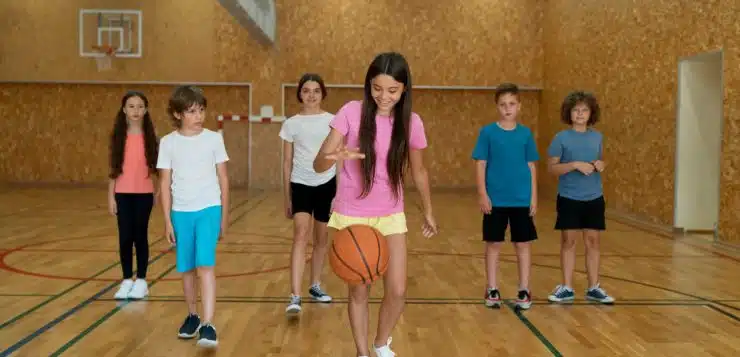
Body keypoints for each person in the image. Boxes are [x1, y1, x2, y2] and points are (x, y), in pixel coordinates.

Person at [313, 52, 439, 357]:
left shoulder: (411, 122)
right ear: (369, 86)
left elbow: (419, 170)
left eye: (392, 90)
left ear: (404, 89)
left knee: (397, 289)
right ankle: (362, 352)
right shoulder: (351, 113)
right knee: (359, 289)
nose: (384, 96)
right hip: (351, 213)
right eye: (377, 88)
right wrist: (334, 157)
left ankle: (381, 342)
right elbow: (318, 164)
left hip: (391, 213)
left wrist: (428, 210)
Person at [156, 85, 230, 348]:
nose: (198, 116)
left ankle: (209, 324)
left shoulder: (213, 139)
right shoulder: (168, 143)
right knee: (187, 268)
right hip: (181, 213)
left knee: (205, 266)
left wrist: (224, 216)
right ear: (177, 114)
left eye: (201, 110)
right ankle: (193, 316)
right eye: (191, 111)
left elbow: (223, 178)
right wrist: (167, 220)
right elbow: (164, 183)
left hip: (209, 209)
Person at [471, 83, 538, 310]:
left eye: (511, 104)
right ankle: (492, 288)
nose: (507, 108)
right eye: (502, 104)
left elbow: (531, 166)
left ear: (519, 106)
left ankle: (524, 289)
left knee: (523, 245)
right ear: (497, 107)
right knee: (494, 244)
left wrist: (534, 197)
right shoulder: (487, 132)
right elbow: (481, 163)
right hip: (495, 200)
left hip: (521, 200)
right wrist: (482, 193)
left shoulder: (526, 134)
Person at [546, 90, 614, 304]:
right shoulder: (561, 138)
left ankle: (593, 287)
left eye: (584, 110)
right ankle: (566, 287)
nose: (580, 114)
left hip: (594, 197)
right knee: (569, 241)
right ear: (569, 113)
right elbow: (552, 168)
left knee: (593, 241)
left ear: (591, 113)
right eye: (576, 110)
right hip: (569, 197)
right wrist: (574, 165)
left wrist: (601, 165)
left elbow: (601, 160)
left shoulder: (597, 137)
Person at [279, 73, 336, 314]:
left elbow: (338, 157)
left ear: (322, 93)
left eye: (315, 90)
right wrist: (287, 197)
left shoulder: (333, 121)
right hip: (300, 184)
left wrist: (339, 193)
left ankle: (315, 285)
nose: (311, 95)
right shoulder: (291, 124)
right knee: (300, 233)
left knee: (321, 239)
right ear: (299, 94)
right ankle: (295, 295)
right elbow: (286, 162)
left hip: (327, 183)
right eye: (306, 90)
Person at [108, 90, 159, 300]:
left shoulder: (151, 138)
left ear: (145, 110)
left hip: (144, 194)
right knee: (125, 237)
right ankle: (127, 279)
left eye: (140, 106)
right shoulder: (118, 137)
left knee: (140, 236)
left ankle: (142, 281)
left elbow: (158, 169)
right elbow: (114, 168)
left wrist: (158, 192)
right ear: (124, 110)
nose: (135, 110)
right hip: (122, 193)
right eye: (131, 106)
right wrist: (110, 196)